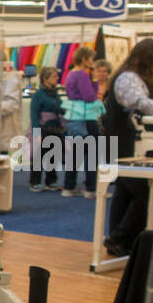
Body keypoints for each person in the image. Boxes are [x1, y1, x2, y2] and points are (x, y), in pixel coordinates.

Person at [101, 38, 153, 259]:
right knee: (144, 192)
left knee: (127, 192)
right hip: (125, 145)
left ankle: (121, 242)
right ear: (147, 60)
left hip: (135, 146)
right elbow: (137, 101)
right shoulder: (128, 79)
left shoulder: (137, 78)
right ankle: (118, 238)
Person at [63, 46, 103, 199]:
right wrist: (94, 79)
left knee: (75, 153)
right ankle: (90, 189)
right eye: (91, 59)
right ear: (85, 59)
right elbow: (90, 97)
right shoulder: (82, 75)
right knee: (91, 153)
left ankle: (69, 186)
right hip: (87, 117)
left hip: (74, 116)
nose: (93, 62)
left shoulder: (70, 75)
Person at [28, 66, 64, 192]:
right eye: (54, 76)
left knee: (53, 155)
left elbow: (59, 109)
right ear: (45, 78)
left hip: (56, 128)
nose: (57, 78)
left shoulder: (55, 93)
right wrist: (37, 133)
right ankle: (35, 182)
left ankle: (51, 181)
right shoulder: (38, 95)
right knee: (39, 156)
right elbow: (34, 114)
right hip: (43, 128)